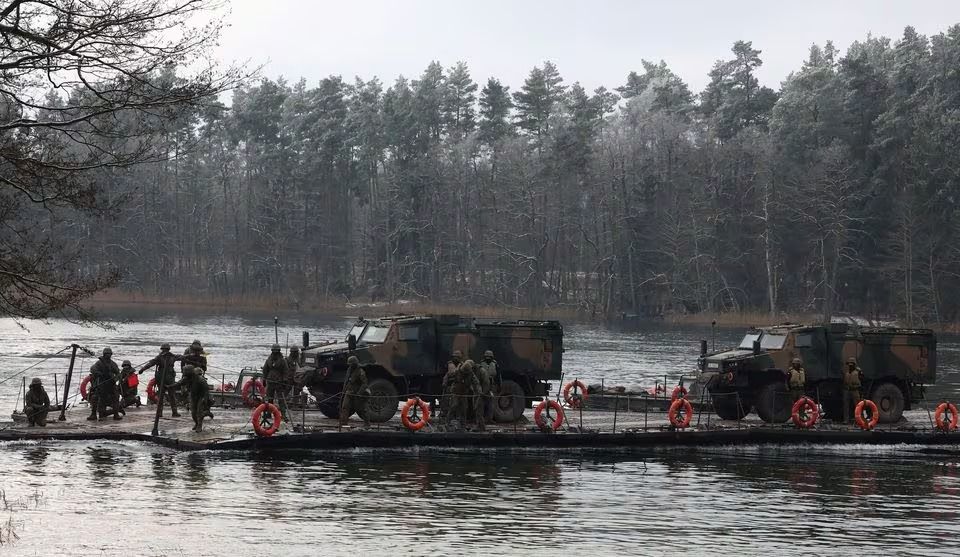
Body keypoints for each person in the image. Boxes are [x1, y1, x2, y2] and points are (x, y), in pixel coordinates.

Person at [139, 343, 180, 417]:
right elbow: (150, 363)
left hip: (168, 379)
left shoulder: (170, 356)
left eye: (165, 350)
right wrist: (143, 369)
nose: (164, 351)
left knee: (169, 395)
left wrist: (142, 369)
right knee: (163, 396)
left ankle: (173, 412)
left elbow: (182, 357)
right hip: (163, 379)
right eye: (164, 350)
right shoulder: (161, 357)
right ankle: (161, 412)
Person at [170, 365, 214, 432]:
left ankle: (199, 425)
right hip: (193, 396)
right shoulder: (186, 378)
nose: (183, 373)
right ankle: (198, 421)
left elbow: (206, 390)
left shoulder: (200, 379)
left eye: (185, 371)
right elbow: (179, 383)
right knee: (193, 413)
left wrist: (204, 399)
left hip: (201, 396)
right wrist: (169, 386)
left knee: (199, 412)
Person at [88, 347, 122, 421]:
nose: (108, 355)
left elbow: (118, 373)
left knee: (115, 398)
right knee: (98, 398)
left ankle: (116, 414)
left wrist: (114, 380)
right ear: (104, 354)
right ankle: (96, 414)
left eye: (109, 354)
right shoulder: (99, 363)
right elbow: (93, 369)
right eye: (106, 354)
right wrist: (100, 374)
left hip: (111, 383)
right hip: (102, 383)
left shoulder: (112, 363)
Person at [262, 344, 290, 422]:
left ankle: (283, 414)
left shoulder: (282, 361)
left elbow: (286, 371)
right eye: (273, 351)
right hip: (270, 381)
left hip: (279, 382)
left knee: (281, 399)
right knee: (269, 398)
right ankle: (268, 413)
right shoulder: (269, 360)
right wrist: (264, 379)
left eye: (276, 352)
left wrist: (285, 380)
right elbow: (265, 370)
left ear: (278, 352)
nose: (274, 353)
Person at [340, 355, 369, 427]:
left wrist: (359, 393)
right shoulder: (349, 370)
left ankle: (367, 423)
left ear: (355, 363)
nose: (350, 365)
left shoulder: (360, 371)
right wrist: (343, 391)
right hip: (349, 392)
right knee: (345, 407)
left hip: (357, 393)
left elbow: (365, 384)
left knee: (360, 409)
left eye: (351, 364)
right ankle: (343, 423)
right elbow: (346, 381)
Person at [441, 350, 464, 424]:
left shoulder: (462, 365)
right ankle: (446, 416)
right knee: (446, 401)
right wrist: (444, 382)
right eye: (455, 357)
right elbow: (445, 374)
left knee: (457, 403)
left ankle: (457, 417)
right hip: (449, 385)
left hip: (458, 386)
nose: (456, 358)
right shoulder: (449, 364)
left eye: (457, 357)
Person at [477, 350, 497, 422]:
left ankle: (490, 418)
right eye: (486, 356)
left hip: (492, 386)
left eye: (489, 357)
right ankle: (482, 419)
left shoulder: (495, 364)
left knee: (491, 404)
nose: (488, 358)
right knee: (482, 403)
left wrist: (498, 385)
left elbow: (498, 376)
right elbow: (478, 376)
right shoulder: (481, 364)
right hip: (483, 386)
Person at [843, 357, 864, 423]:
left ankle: (859, 419)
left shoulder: (858, 372)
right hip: (847, 390)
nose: (850, 366)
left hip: (855, 390)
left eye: (852, 364)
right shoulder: (847, 372)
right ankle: (846, 419)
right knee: (846, 406)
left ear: (854, 364)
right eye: (849, 364)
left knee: (858, 405)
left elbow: (862, 380)